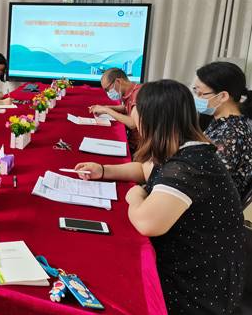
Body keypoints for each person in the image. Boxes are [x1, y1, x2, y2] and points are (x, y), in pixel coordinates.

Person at [75, 80, 245, 314]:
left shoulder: (190, 166)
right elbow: (144, 169)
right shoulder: (181, 146)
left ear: (154, 119)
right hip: (195, 264)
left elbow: (147, 223)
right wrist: (103, 170)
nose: (135, 119)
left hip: (197, 285)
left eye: (138, 113)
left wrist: (136, 195)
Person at [192, 61, 252, 202]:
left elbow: (207, 180)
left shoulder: (234, 133)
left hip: (214, 203)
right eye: (195, 91)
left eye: (201, 93)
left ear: (223, 96)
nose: (197, 98)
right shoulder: (221, 121)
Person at [88, 68, 141, 152]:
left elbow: (132, 123)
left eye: (107, 89)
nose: (108, 93)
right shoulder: (129, 91)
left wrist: (106, 110)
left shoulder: (138, 94)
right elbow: (126, 108)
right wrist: (105, 107)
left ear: (118, 81)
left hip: (138, 148)